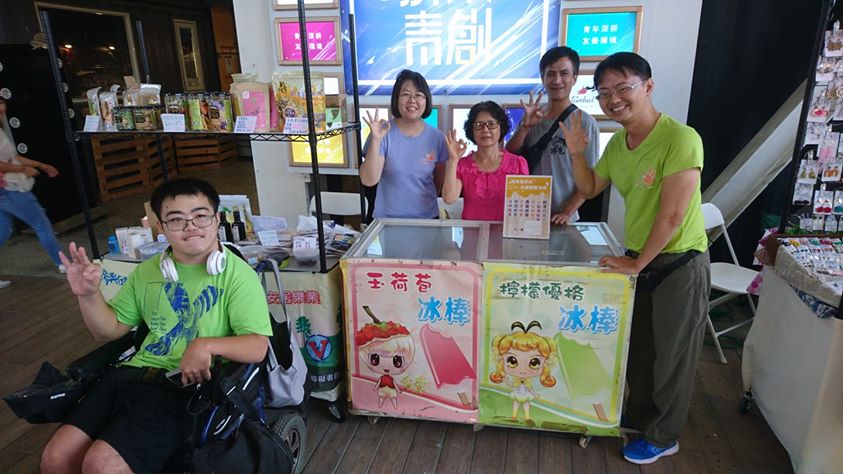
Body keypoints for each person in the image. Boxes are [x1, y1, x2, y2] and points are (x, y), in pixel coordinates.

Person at [40, 178, 273, 474]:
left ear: (216, 219)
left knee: (100, 465)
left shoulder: (237, 276)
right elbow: (108, 330)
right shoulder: (148, 271)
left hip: (182, 387)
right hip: (127, 376)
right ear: (161, 227)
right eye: (176, 220)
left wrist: (206, 345)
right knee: (56, 459)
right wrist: (88, 295)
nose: (191, 227)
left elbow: (257, 346)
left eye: (200, 216)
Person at [561, 52, 710, 465]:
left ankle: (664, 436)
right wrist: (576, 153)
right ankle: (641, 416)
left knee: (673, 359)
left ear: (648, 86)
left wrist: (637, 263)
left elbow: (672, 216)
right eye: (604, 93)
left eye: (623, 88)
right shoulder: (619, 145)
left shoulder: (680, 138)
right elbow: (589, 188)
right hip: (640, 261)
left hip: (680, 263)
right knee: (641, 352)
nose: (613, 99)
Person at [506, 46, 600, 225]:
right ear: (543, 79)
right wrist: (525, 128)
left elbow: (590, 178)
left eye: (564, 73)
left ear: (575, 78)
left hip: (563, 219)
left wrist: (566, 212)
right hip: (526, 213)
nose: (557, 81)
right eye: (550, 74)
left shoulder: (585, 123)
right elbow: (509, 156)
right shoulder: (533, 116)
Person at [360, 69, 448, 219]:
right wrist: (375, 140)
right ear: (396, 99)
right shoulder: (382, 133)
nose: (412, 100)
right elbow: (369, 180)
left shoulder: (438, 137)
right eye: (406, 94)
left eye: (419, 95)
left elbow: (439, 182)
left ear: (426, 100)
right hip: (388, 221)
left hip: (427, 219)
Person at [0, 97, 63, 288]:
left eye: (2, 104)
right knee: (41, 224)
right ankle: (63, 265)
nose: (2, 109)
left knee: (2, 231)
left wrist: (40, 165)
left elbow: (13, 157)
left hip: (6, 189)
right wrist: (23, 170)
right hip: (10, 188)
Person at [442, 101, 529, 221]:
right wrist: (453, 160)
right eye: (479, 125)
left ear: (501, 127)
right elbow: (449, 198)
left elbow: (525, 205)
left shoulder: (517, 164)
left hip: (506, 231)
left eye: (491, 124)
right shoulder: (462, 165)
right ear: (471, 130)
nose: (485, 129)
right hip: (471, 232)